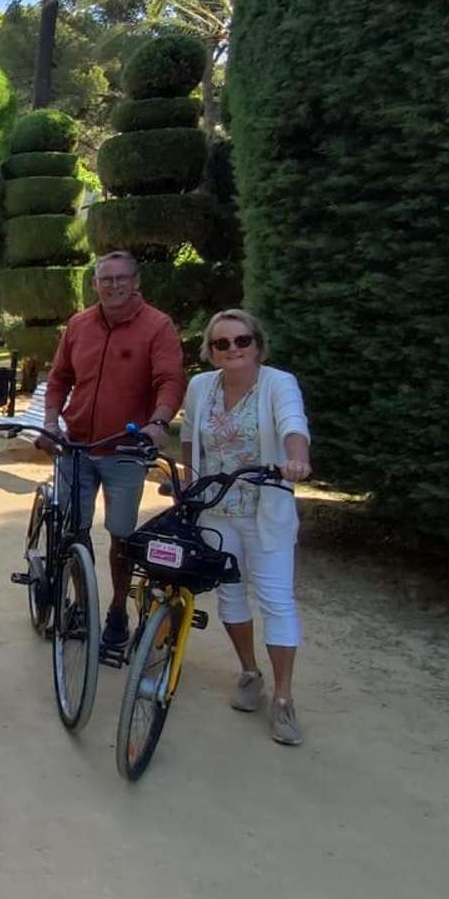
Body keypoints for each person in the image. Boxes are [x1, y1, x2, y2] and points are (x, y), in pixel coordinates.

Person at [38, 250, 187, 652]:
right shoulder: (79, 324)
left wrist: (158, 421)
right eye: (106, 279)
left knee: (121, 536)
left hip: (124, 448)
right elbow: (59, 377)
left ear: (136, 282)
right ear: (95, 284)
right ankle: (82, 606)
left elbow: (170, 379)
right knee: (74, 531)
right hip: (76, 445)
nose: (114, 285)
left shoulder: (157, 326)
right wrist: (51, 423)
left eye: (122, 278)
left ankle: (118, 609)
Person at [180, 308, 312, 745]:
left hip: (265, 511)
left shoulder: (278, 384)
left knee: (275, 599)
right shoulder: (201, 386)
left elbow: (294, 426)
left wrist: (297, 460)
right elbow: (189, 438)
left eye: (242, 341)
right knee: (230, 596)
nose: (233, 349)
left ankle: (283, 700)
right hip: (216, 510)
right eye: (222, 343)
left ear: (257, 344)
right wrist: (187, 481)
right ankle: (249, 673)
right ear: (211, 351)